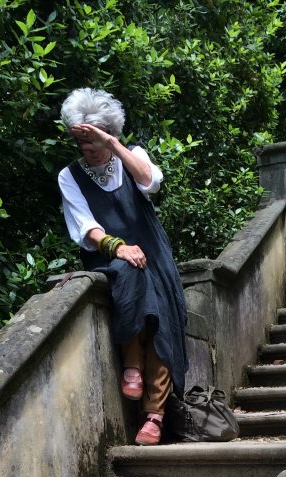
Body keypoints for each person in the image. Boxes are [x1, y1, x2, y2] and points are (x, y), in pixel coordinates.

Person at [58, 88, 187, 445]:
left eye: (94, 141)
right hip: (108, 257)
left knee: (162, 322)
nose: (89, 149)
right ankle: (132, 366)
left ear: (110, 133)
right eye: (82, 143)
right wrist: (118, 247)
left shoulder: (133, 155)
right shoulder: (69, 176)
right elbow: (85, 227)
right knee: (130, 277)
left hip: (153, 253)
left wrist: (113, 145)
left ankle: (155, 417)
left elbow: (151, 183)